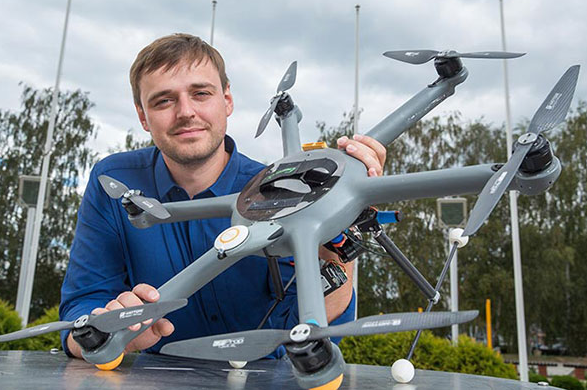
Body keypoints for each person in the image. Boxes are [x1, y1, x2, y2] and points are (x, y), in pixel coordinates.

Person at [59, 33, 386, 359]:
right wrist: (107, 335)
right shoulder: (113, 182)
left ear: (227, 100)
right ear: (143, 116)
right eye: (163, 101)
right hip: (154, 376)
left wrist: (346, 217)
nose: (186, 112)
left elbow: (316, 322)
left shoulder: (287, 190)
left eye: (201, 94)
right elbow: (82, 307)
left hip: (269, 377)